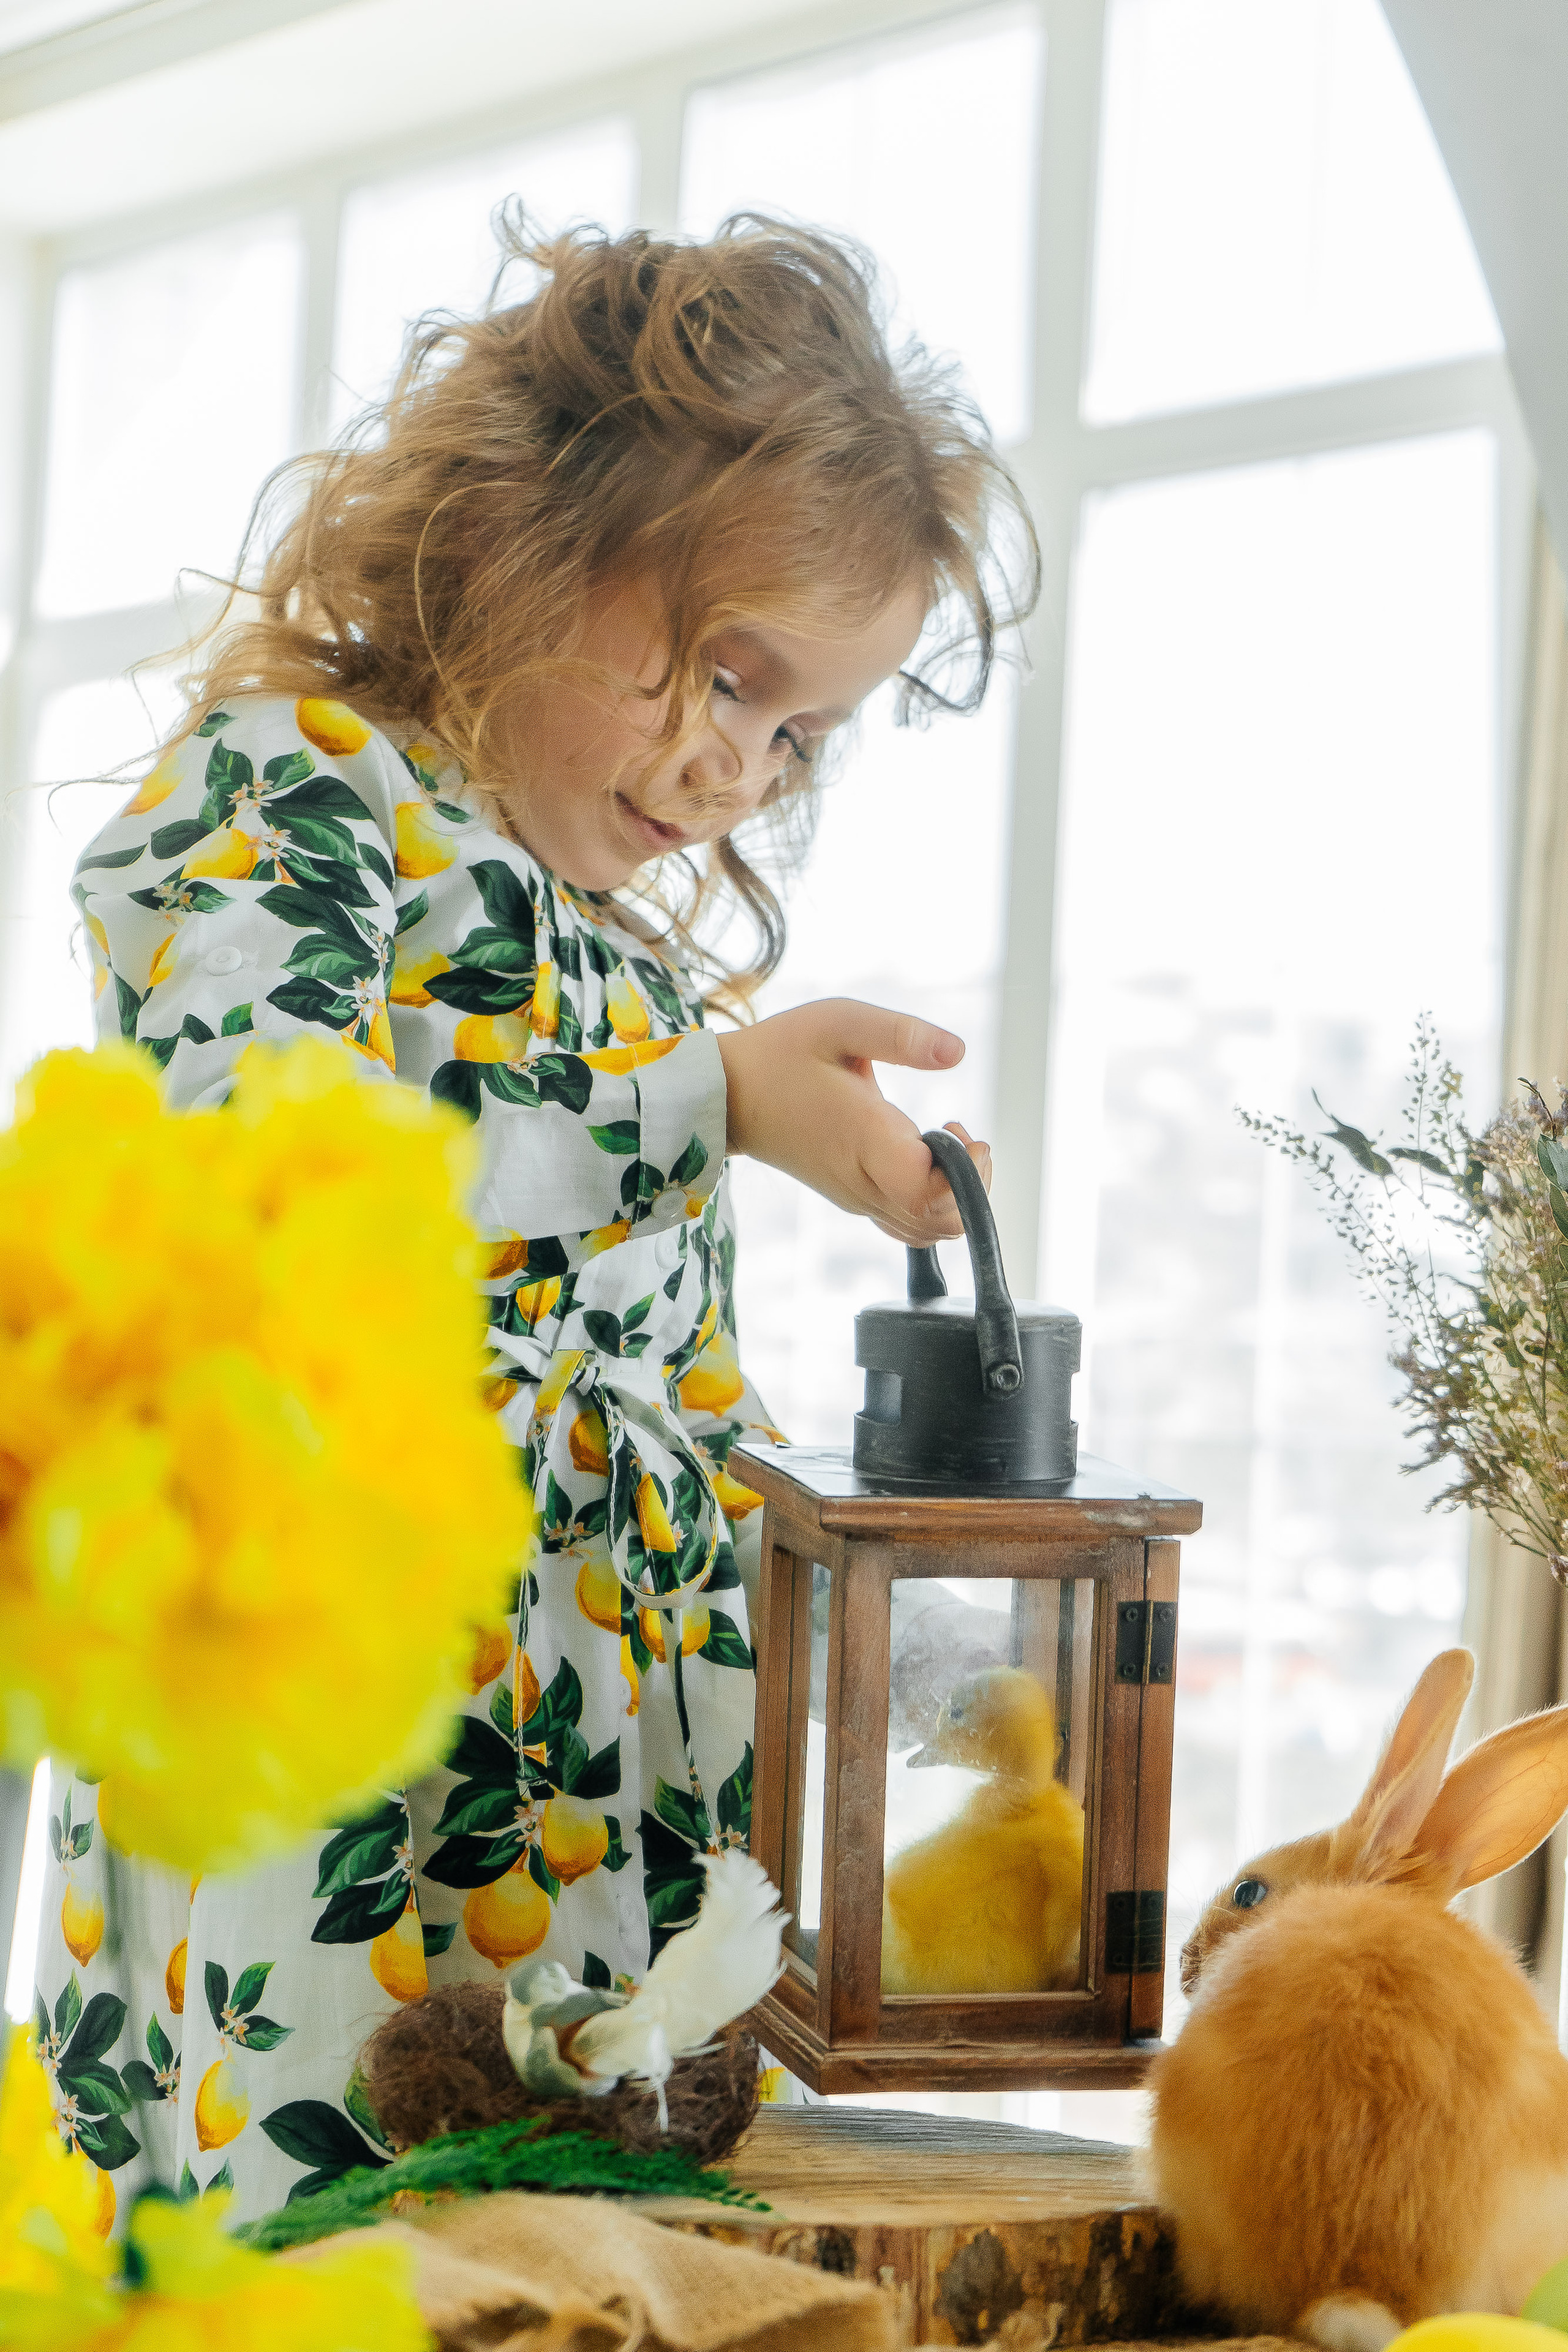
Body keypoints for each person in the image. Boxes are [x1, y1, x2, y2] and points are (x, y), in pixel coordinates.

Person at [32, 213, 1037, 2222]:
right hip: (337, 1817)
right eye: (724, 671)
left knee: (567, 2284)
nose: (734, 767)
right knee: (324, 2260)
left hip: (599, 1874)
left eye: (793, 732)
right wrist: (705, 1109)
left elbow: (647, 1443)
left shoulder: (632, 978)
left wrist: (908, 1661)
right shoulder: (291, 796)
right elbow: (264, 1175)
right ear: (522, 530)